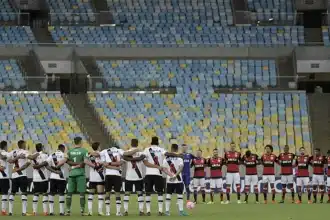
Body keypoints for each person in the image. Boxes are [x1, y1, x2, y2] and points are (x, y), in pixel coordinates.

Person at [57, 136, 96, 216]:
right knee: (82, 193)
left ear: (74, 142)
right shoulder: (84, 150)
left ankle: (68, 211)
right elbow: (85, 161)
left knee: (69, 193)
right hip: (80, 174)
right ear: (80, 142)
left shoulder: (70, 151)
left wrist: (58, 164)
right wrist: (94, 166)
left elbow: (64, 160)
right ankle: (82, 211)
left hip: (71, 174)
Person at [142, 136, 166, 216]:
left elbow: (145, 163)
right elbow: (167, 156)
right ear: (158, 142)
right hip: (158, 174)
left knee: (148, 193)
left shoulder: (146, 150)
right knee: (160, 193)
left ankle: (148, 211)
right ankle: (160, 211)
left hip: (148, 174)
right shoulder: (161, 150)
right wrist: (158, 166)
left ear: (151, 142)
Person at [7, 140, 31, 216]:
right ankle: (24, 212)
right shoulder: (25, 152)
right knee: (24, 192)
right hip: (22, 175)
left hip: (14, 175)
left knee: (13, 192)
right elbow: (28, 162)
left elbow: (9, 161)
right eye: (25, 144)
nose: (25, 145)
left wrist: (16, 158)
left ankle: (10, 212)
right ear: (23, 145)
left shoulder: (13, 152)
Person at [163, 144, 188, 216]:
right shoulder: (179, 158)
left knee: (168, 195)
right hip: (178, 180)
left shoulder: (166, 158)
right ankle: (181, 211)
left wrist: (171, 175)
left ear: (171, 149)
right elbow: (181, 168)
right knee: (180, 196)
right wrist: (175, 175)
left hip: (169, 180)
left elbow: (164, 169)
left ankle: (167, 212)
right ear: (177, 149)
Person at [123, 139, 146, 216]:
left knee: (127, 194)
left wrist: (130, 159)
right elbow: (141, 158)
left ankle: (125, 211)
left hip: (128, 176)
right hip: (138, 177)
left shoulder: (126, 153)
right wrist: (136, 159)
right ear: (137, 143)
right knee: (140, 194)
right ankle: (141, 211)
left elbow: (124, 157)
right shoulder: (141, 153)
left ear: (131, 143)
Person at [100, 145, 124, 216]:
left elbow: (105, 164)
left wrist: (110, 164)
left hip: (108, 175)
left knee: (107, 193)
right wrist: (116, 168)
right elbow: (120, 163)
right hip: (117, 175)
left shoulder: (105, 152)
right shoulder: (120, 152)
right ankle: (118, 212)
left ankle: (107, 212)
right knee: (117, 193)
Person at [29, 143, 49, 215]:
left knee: (36, 194)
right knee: (45, 194)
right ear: (42, 147)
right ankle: (45, 211)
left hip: (36, 178)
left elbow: (33, 165)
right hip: (44, 178)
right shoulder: (45, 155)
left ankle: (34, 212)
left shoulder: (32, 156)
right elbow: (46, 164)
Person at [46, 144, 67, 216]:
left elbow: (46, 164)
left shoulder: (52, 155)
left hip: (53, 177)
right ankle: (61, 212)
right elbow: (69, 162)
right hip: (61, 177)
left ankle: (51, 212)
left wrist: (54, 171)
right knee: (61, 193)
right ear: (63, 148)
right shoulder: (64, 155)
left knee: (51, 193)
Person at [87, 142, 105, 216]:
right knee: (100, 195)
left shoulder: (89, 155)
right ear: (98, 147)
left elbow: (86, 161)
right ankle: (100, 212)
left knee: (90, 195)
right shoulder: (102, 154)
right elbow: (104, 163)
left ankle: (90, 212)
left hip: (92, 177)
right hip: (100, 177)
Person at [0, 141, 9, 216]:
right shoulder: (5, 153)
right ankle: (3, 211)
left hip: (3, 176)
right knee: (4, 193)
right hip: (3, 177)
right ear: (5, 146)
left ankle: (3, 210)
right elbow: (4, 157)